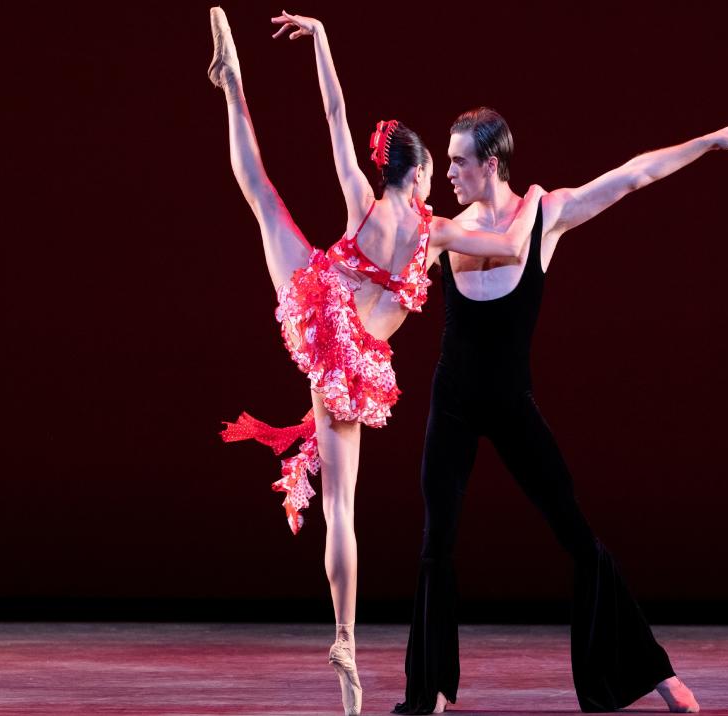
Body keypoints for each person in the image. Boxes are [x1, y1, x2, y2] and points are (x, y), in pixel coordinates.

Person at [207, 11, 543, 716]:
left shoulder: (363, 197)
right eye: (431, 170)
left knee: (262, 196)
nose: (435, 180)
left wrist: (322, 37)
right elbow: (513, 248)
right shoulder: (437, 232)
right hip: (355, 362)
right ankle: (345, 641)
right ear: (418, 172)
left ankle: (233, 87)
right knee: (340, 511)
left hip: (321, 307)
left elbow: (335, 110)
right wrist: (534, 200)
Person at [394, 107, 728, 715]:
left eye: (459, 160)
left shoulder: (546, 213)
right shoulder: (446, 229)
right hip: (453, 401)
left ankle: (656, 674)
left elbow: (631, 175)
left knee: (576, 534)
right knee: (437, 540)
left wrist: (707, 142)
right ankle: (430, 689)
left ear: (491, 164)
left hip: (511, 403)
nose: (450, 171)